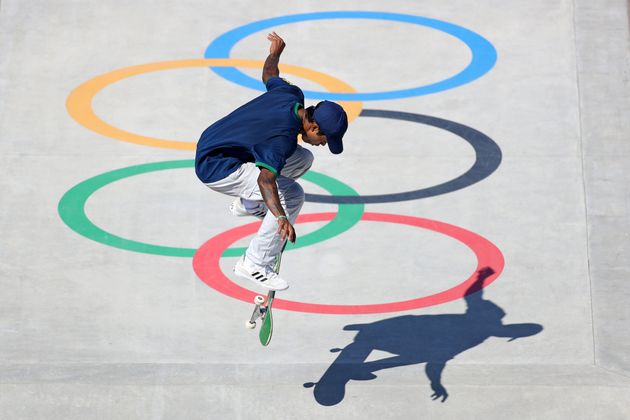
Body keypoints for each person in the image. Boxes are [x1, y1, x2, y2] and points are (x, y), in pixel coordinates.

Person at [195, 32, 348, 291]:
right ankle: (254, 262)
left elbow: (269, 75)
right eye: (324, 139)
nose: (323, 145)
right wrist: (279, 217)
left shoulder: (291, 95)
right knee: (293, 196)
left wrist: (275, 52)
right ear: (313, 126)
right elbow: (265, 180)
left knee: (303, 158)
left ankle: (247, 204)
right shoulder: (282, 139)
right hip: (218, 167)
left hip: (217, 144)